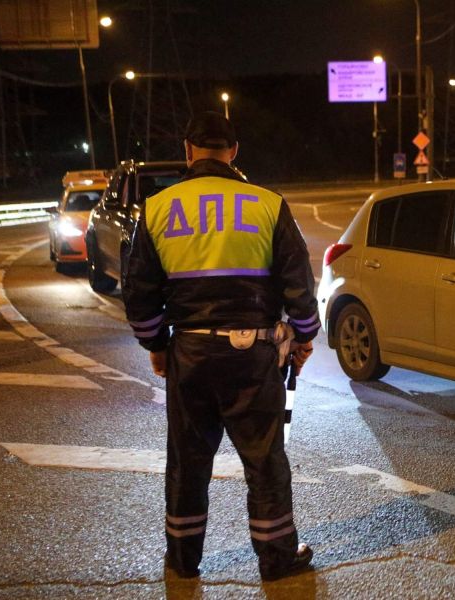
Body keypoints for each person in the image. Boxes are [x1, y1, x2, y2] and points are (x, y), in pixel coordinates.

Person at [122, 111, 319, 582]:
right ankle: (276, 560)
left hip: (188, 352)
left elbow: (139, 292)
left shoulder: (158, 208)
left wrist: (156, 344)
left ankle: (183, 561)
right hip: (254, 354)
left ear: (188, 152)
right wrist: (304, 338)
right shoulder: (267, 204)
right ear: (234, 152)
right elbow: (298, 283)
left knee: (188, 463)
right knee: (264, 459)